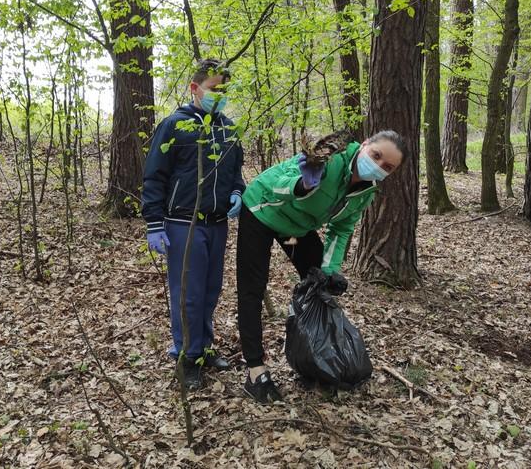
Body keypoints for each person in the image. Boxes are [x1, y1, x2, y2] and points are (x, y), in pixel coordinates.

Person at [236, 130, 406, 402]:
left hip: (297, 227)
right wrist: (302, 185)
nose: (378, 166)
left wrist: (329, 270)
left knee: (319, 281)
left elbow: (341, 229)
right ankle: (255, 369)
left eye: (388, 167)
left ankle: (317, 355)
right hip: (262, 209)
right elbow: (276, 185)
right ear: (364, 145)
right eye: (376, 156)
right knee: (252, 288)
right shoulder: (330, 160)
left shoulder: (366, 191)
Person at [142, 59, 245, 390]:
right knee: (188, 293)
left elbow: (235, 173)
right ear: (195, 88)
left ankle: (203, 347)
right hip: (182, 222)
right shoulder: (174, 126)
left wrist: (237, 192)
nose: (220, 95)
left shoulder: (228, 129)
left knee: (211, 290)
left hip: (217, 223)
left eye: (225, 90)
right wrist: (154, 223)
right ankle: (187, 355)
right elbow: (155, 175)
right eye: (215, 88)